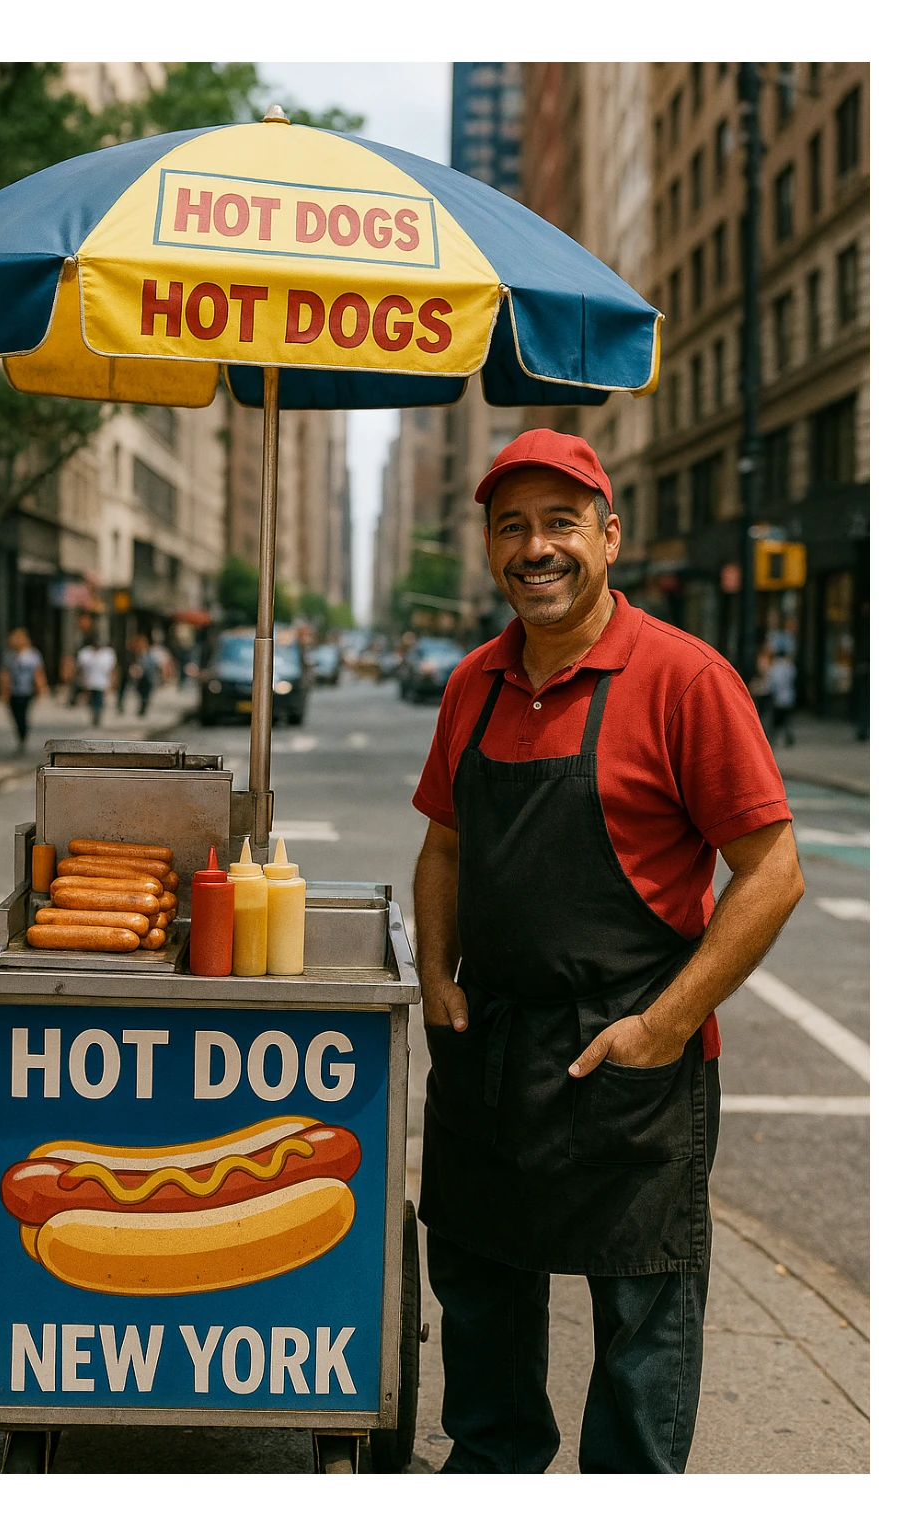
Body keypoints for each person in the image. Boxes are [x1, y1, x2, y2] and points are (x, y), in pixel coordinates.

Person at [411, 429, 804, 1475]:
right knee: (481, 1303)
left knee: (641, 1330)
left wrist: (662, 1028)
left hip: (629, 1062)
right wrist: (437, 977)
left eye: (560, 523)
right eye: (511, 528)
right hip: (491, 1048)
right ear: (489, 549)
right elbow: (444, 845)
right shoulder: (471, 683)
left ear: (610, 536)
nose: (535, 547)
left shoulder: (685, 678)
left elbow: (772, 872)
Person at [0, 629, 46, 756]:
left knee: (23, 714)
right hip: (13, 690)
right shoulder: (9, 656)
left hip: (26, 690)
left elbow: (38, 673)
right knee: (15, 715)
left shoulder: (32, 655)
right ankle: (21, 736)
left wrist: (40, 689)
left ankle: (23, 737)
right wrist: (3, 691)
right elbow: (4, 674)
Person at [76, 635, 117, 728]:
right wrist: (82, 681)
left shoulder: (107, 654)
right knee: (91, 700)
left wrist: (112, 683)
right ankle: (94, 714)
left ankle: (97, 715)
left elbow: (112, 669)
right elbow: (80, 669)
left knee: (99, 700)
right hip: (89, 682)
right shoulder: (85, 653)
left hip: (102, 683)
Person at [766, 650, 798, 747]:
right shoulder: (790, 667)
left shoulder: (775, 667)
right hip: (788, 697)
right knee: (786, 719)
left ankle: (773, 738)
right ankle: (788, 737)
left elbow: (773, 683)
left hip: (778, 698)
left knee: (776, 720)